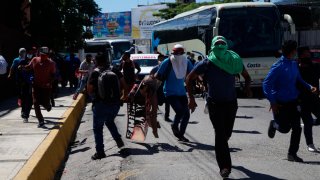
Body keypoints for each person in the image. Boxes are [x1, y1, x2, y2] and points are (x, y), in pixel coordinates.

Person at [186, 36, 252, 179]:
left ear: (227, 45)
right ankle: (224, 166)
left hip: (231, 103)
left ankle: (223, 151)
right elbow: (189, 78)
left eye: (223, 43)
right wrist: (191, 98)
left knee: (226, 134)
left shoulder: (234, 60)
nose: (221, 46)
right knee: (220, 135)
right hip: (214, 103)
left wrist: (247, 88)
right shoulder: (207, 63)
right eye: (218, 44)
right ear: (213, 46)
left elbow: (247, 76)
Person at [263, 40, 317, 162]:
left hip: (294, 101)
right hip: (281, 103)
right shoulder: (278, 66)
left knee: (297, 128)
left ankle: (292, 154)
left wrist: (310, 87)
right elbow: (266, 84)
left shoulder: (293, 64)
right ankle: (274, 124)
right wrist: (272, 101)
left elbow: (299, 80)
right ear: (292, 51)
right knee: (284, 128)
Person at [87, 53, 125, 160]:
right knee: (109, 121)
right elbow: (124, 84)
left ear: (96, 62)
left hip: (100, 104)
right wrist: (122, 97)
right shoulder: (115, 70)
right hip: (115, 105)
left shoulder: (95, 73)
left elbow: (89, 90)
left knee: (98, 128)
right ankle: (118, 140)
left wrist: (94, 96)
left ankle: (100, 152)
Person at [155, 44, 193, 142]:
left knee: (187, 115)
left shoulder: (186, 61)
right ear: (173, 53)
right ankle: (174, 125)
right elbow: (158, 74)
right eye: (176, 53)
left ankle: (181, 135)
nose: (178, 55)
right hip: (169, 92)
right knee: (180, 111)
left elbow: (192, 73)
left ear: (183, 53)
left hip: (182, 92)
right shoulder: (167, 62)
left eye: (180, 53)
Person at [19, 47, 56, 128]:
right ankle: (41, 120)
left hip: (46, 88)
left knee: (45, 103)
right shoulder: (35, 59)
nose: (43, 56)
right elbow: (29, 67)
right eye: (42, 55)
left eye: (45, 55)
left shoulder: (51, 63)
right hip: (36, 86)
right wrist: (23, 67)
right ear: (39, 53)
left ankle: (47, 106)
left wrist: (49, 83)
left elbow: (53, 76)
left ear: (48, 55)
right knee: (35, 103)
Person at [297, 46, 320, 152]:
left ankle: (314, 121)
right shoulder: (296, 69)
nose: (308, 56)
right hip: (302, 101)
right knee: (307, 122)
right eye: (305, 54)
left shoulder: (315, 66)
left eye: (308, 54)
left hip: (315, 99)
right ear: (300, 56)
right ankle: (310, 144)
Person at [150, 54, 171, 122]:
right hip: (157, 88)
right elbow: (151, 75)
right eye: (160, 59)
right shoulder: (155, 68)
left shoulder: (168, 68)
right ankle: (153, 115)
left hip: (165, 88)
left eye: (162, 59)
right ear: (158, 60)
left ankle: (166, 116)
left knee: (167, 102)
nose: (161, 61)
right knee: (156, 102)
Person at [17, 49, 34, 123]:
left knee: (29, 100)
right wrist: (20, 82)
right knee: (23, 99)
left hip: (31, 84)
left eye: (31, 54)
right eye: (28, 54)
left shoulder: (34, 63)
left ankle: (26, 115)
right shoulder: (22, 62)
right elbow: (18, 74)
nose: (29, 55)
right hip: (23, 84)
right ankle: (23, 112)